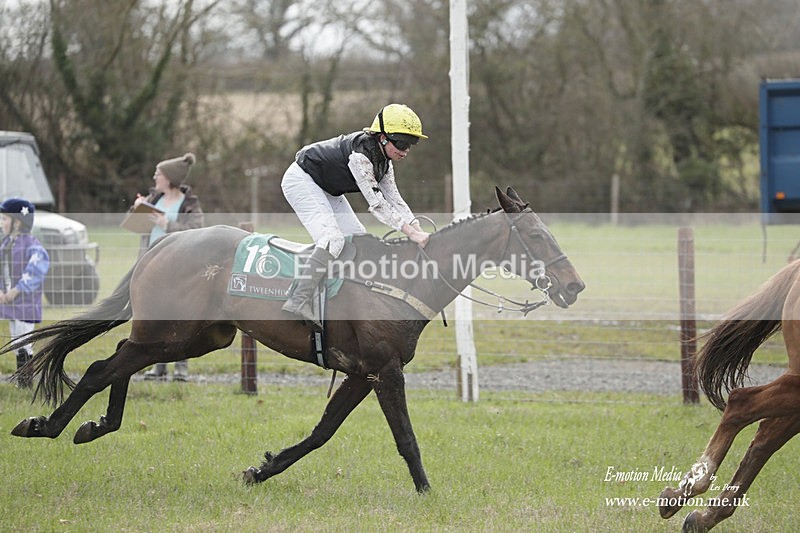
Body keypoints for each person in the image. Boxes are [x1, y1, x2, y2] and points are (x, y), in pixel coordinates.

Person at [281, 103, 430, 330]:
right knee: (333, 241)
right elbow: (378, 204)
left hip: (327, 188)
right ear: (382, 137)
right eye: (401, 142)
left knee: (359, 240)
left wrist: (418, 229)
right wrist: (410, 233)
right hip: (302, 180)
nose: (406, 150)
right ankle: (298, 301)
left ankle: (341, 299)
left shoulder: (385, 163)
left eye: (411, 144)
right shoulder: (360, 156)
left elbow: (396, 200)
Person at [132, 152, 204, 381]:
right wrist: (137, 209)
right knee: (155, 316)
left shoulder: (189, 203)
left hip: (177, 266)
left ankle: (181, 368)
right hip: (151, 265)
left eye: (158, 174)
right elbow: (135, 226)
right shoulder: (154, 198)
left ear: (169, 178)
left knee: (179, 316)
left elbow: (197, 230)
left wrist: (167, 224)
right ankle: (159, 366)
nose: (154, 177)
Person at [0, 198, 50, 388]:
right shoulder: (5, 244)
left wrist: (17, 289)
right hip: (10, 303)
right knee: (15, 339)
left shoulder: (31, 245)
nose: (1, 223)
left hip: (25, 302)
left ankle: (25, 381)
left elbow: (37, 269)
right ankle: (21, 380)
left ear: (17, 222)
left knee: (24, 340)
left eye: (4, 219)